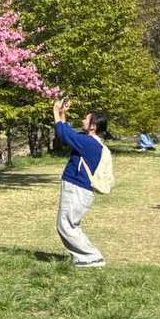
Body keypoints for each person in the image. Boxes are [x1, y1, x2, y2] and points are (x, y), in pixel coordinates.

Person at [53, 97, 112, 267]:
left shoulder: (88, 143)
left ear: (93, 126)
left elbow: (64, 134)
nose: (82, 120)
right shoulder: (89, 141)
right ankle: (87, 257)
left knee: (65, 225)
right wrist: (62, 114)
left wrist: (55, 111)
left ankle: (91, 257)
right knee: (70, 224)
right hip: (79, 189)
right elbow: (67, 132)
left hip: (76, 188)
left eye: (86, 119)